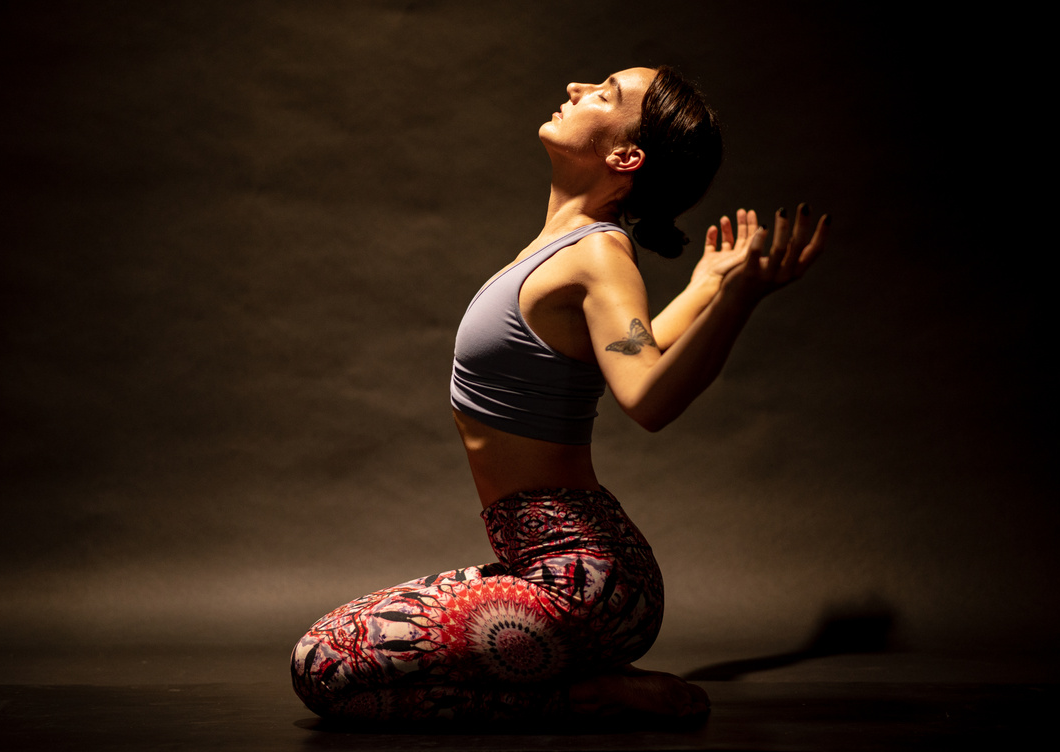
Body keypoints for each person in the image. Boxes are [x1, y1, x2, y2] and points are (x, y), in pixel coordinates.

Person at [291, 65, 828, 723]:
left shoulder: (599, 256)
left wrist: (738, 300)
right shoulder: (575, 250)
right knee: (337, 645)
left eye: (605, 93)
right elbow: (631, 353)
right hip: (553, 565)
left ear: (625, 155)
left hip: (585, 580)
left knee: (324, 663)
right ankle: (583, 667)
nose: (577, 88)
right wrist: (703, 288)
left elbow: (647, 398)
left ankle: (588, 694)